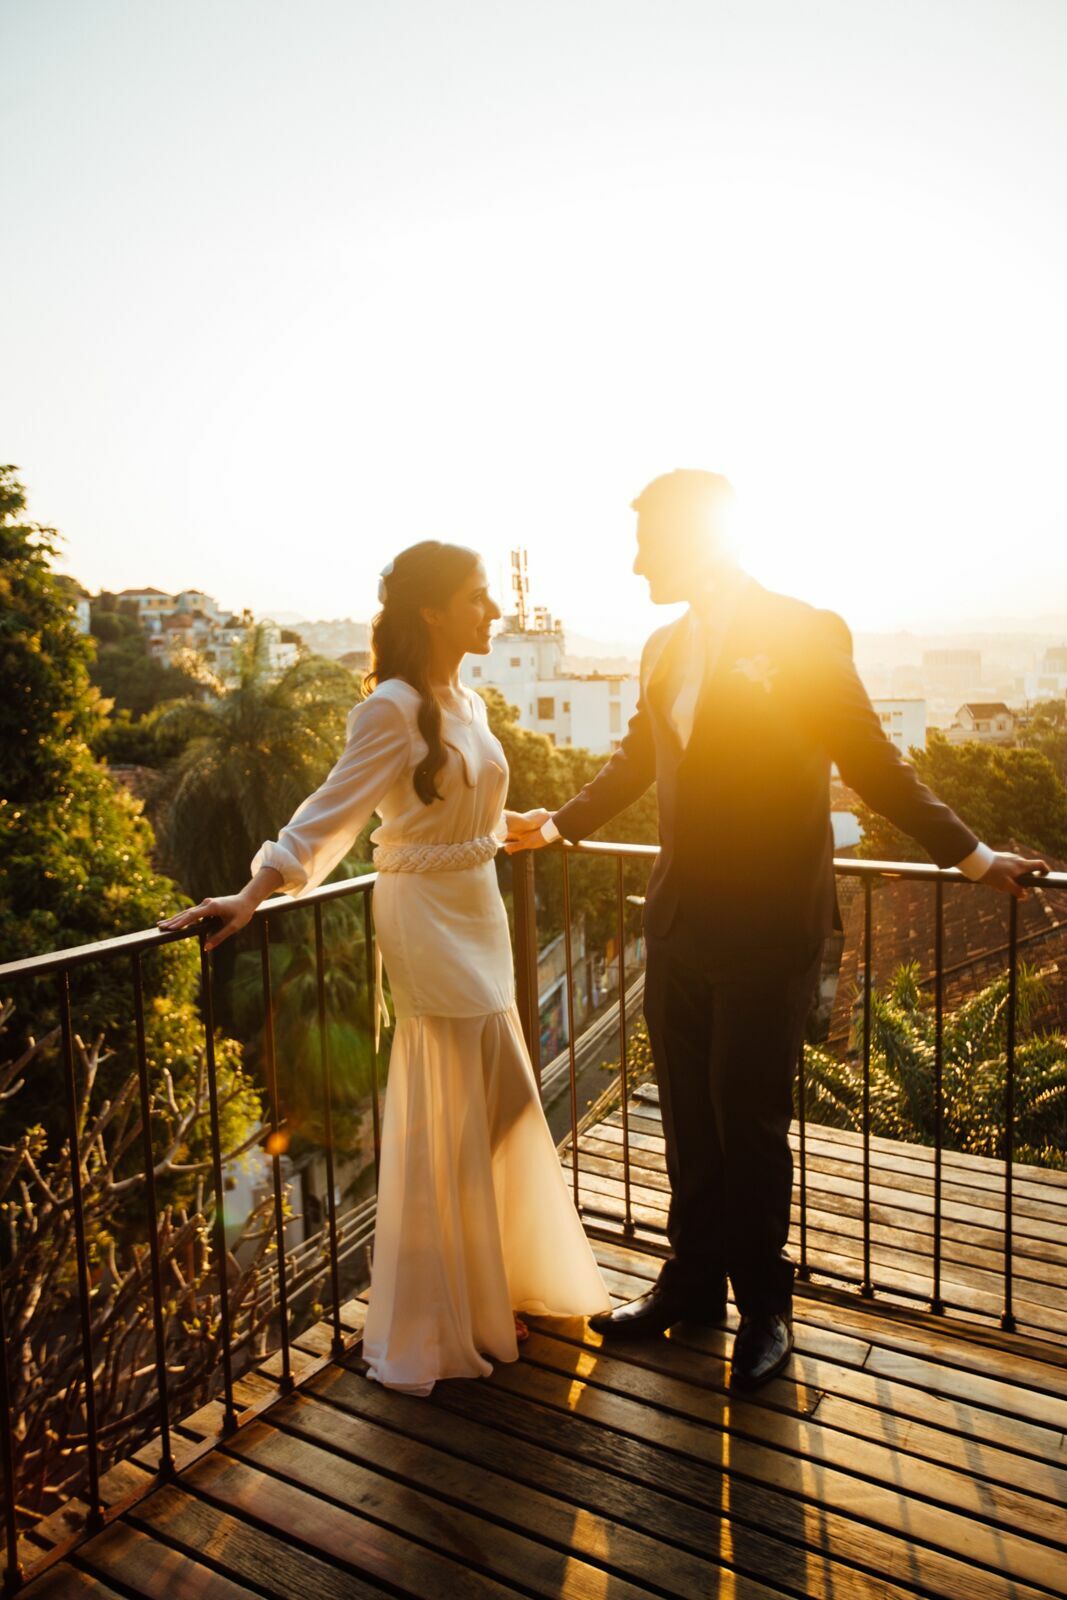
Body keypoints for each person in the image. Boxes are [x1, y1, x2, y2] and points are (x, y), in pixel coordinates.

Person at [506, 470, 1048, 1391]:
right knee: (685, 1117)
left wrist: (971, 857)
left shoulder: (802, 632)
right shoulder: (660, 645)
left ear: (693, 537)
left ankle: (765, 1308)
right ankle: (688, 1287)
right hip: (677, 920)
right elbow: (640, 755)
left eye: (647, 542)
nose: (635, 562)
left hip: (769, 921)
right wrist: (556, 824)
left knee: (747, 1119)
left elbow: (871, 759)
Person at [158, 541, 611, 1396]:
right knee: (455, 1102)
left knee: (496, 1100)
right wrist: (250, 896)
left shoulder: (464, 698)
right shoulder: (392, 707)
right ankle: (451, 1313)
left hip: (477, 902)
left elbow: (451, 803)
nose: (494, 611)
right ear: (433, 610)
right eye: (478, 598)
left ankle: (497, 1284)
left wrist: (514, 823)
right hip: (425, 919)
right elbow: (326, 818)